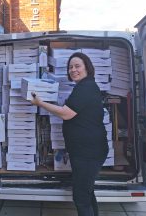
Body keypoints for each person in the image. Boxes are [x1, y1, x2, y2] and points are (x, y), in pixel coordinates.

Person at [30, 52, 109, 216]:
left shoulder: (86, 88)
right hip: (85, 151)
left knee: (81, 197)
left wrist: (40, 103)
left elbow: (66, 114)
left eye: (77, 66)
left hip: (88, 153)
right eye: (70, 67)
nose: (73, 70)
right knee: (87, 193)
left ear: (87, 67)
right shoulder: (84, 87)